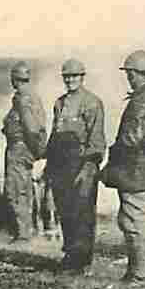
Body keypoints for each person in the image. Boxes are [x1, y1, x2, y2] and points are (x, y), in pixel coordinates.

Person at [101, 50, 145, 283]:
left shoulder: (141, 101)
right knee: (134, 217)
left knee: (133, 220)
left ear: (135, 73)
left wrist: (112, 160)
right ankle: (137, 269)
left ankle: (139, 273)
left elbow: (131, 139)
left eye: (129, 73)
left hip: (135, 169)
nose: (128, 78)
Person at [45, 59, 106, 273]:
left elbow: (97, 139)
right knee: (65, 211)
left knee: (83, 212)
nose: (70, 80)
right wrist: (48, 166)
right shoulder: (59, 103)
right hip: (60, 165)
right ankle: (71, 254)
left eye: (74, 76)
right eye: (67, 76)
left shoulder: (92, 102)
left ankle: (82, 260)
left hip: (81, 164)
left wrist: (89, 167)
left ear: (82, 77)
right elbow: (54, 135)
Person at [1, 61, 47, 242]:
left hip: (19, 150)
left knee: (15, 191)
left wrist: (35, 151)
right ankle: (26, 230)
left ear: (14, 79)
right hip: (23, 149)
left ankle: (23, 235)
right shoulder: (31, 96)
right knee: (24, 190)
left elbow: (32, 128)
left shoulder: (23, 98)